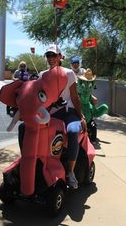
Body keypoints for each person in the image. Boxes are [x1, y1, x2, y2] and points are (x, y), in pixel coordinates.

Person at [40, 44, 87, 189]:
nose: (51, 58)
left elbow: (74, 96)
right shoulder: (42, 75)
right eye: (48, 55)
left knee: (73, 131)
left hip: (68, 112)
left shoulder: (69, 73)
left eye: (54, 55)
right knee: (26, 129)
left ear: (60, 57)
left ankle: (70, 172)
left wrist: (82, 116)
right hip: (51, 113)